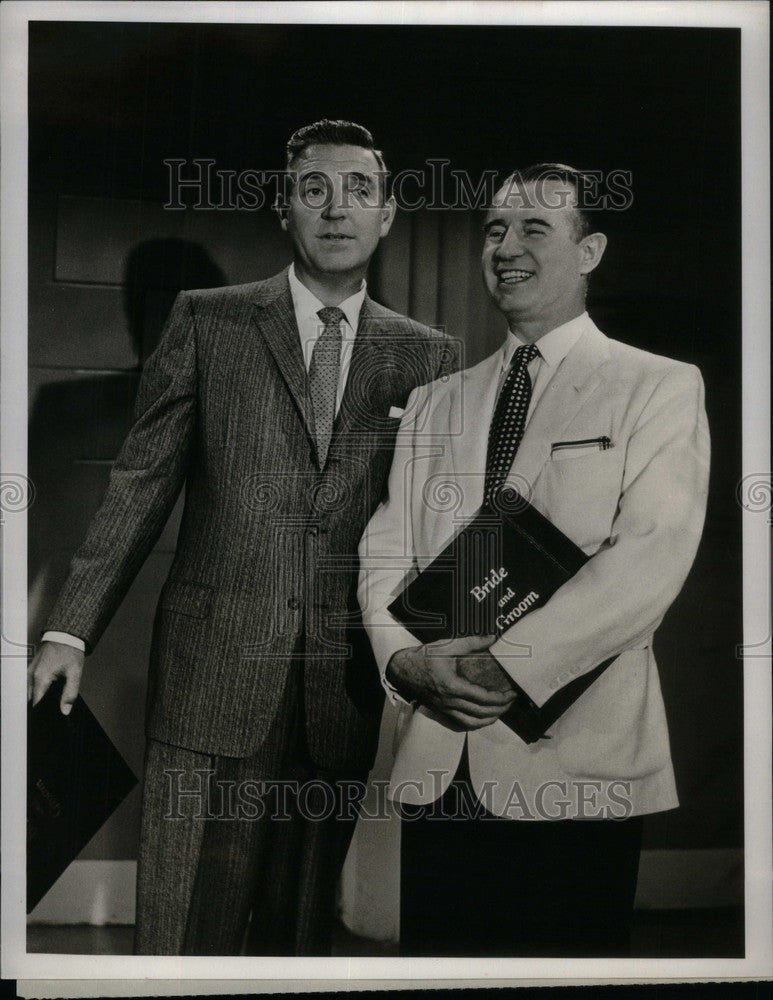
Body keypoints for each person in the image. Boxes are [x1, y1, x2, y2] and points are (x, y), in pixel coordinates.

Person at [27, 119, 455, 956]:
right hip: (209, 674)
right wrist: (69, 627)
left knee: (300, 941)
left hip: (342, 682)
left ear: (388, 213)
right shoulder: (208, 322)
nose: (337, 208)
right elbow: (139, 485)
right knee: (184, 926)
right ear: (281, 209)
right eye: (314, 188)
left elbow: (435, 522)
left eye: (358, 190)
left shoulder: (428, 357)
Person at [358, 163, 710, 957]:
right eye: (492, 229)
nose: (504, 247)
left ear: (589, 250)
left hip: (575, 756)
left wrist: (503, 666)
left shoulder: (655, 386)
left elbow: (650, 557)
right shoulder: (434, 401)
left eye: (532, 229)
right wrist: (405, 662)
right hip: (439, 750)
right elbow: (385, 550)